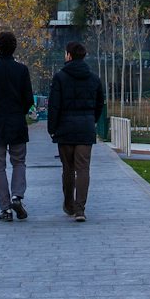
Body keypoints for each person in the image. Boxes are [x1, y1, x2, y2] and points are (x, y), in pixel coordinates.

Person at [48, 41, 105, 223]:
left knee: (68, 168)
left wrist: (52, 128)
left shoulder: (60, 78)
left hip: (65, 129)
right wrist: (91, 120)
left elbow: (54, 106)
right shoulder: (94, 79)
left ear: (69, 56)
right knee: (83, 169)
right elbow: (99, 105)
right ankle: (81, 209)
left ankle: (69, 203)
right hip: (85, 129)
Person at [0, 30, 34, 222]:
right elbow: (28, 98)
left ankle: (5, 209)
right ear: (14, 47)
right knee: (19, 161)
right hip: (17, 122)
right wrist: (19, 112)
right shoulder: (22, 70)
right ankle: (17, 196)